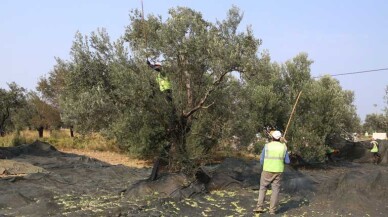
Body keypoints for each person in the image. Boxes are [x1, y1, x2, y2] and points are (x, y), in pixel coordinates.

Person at [254, 130, 290, 215]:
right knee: (275, 190)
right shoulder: (284, 147)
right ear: (280, 138)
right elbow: (287, 161)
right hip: (278, 171)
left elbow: (261, 160)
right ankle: (272, 210)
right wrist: (284, 145)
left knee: (263, 188)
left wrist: (265, 165)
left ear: (272, 137)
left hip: (267, 170)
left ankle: (259, 207)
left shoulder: (267, 146)